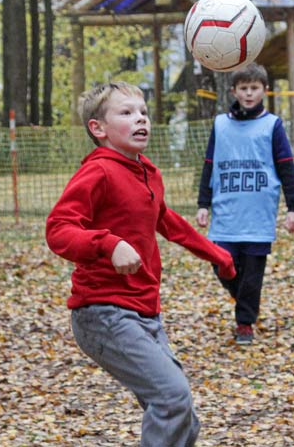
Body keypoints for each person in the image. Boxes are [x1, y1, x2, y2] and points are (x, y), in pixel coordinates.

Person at [46, 82, 236, 447]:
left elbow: (166, 220)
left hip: (145, 312)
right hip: (103, 314)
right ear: (98, 129)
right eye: (126, 113)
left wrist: (216, 254)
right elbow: (58, 229)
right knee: (172, 399)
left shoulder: (148, 172)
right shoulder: (98, 172)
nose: (140, 119)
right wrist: (108, 243)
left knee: (183, 418)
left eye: (143, 112)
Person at [196, 63, 294, 345]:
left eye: (254, 88)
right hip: (226, 214)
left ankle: (245, 322)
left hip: (258, 217)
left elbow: (286, 168)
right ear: (234, 91)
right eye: (244, 88)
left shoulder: (272, 125)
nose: (249, 93)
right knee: (221, 265)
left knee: (252, 275)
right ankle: (244, 297)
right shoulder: (220, 124)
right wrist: (203, 204)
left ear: (264, 91)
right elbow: (209, 165)